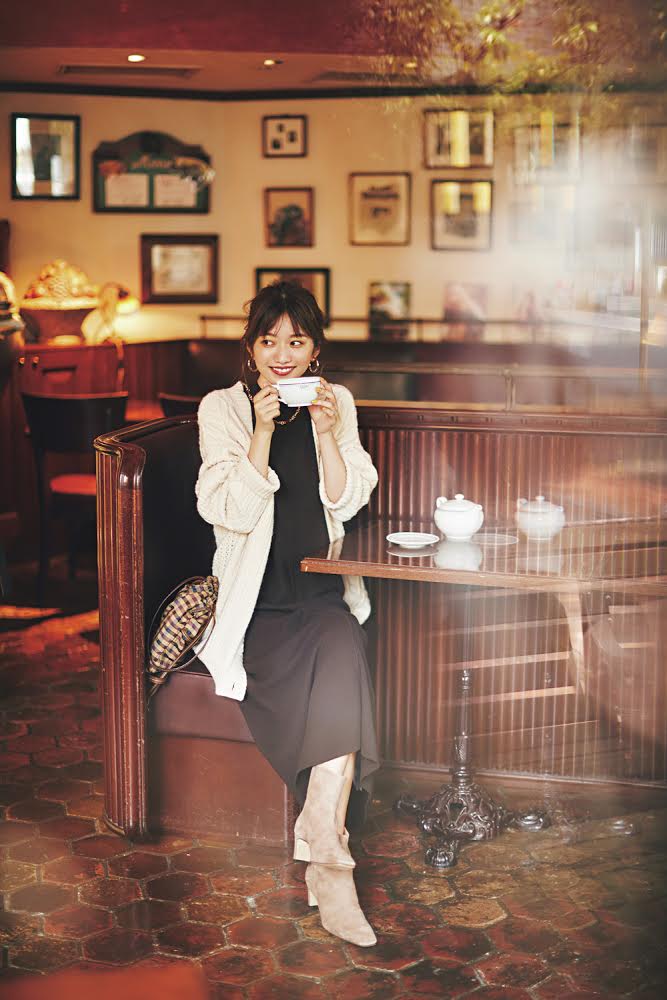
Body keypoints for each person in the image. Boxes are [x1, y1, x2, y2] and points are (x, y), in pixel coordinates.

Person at [195, 280, 380, 947]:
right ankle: (331, 867)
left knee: (344, 644)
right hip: (259, 608)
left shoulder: (338, 403)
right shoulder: (222, 408)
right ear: (250, 349)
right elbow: (229, 511)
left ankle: (325, 851)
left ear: (314, 350)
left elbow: (349, 500)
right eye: (268, 341)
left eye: (296, 341)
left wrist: (327, 434)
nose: (282, 354)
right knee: (340, 660)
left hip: (322, 596)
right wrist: (264, 430)